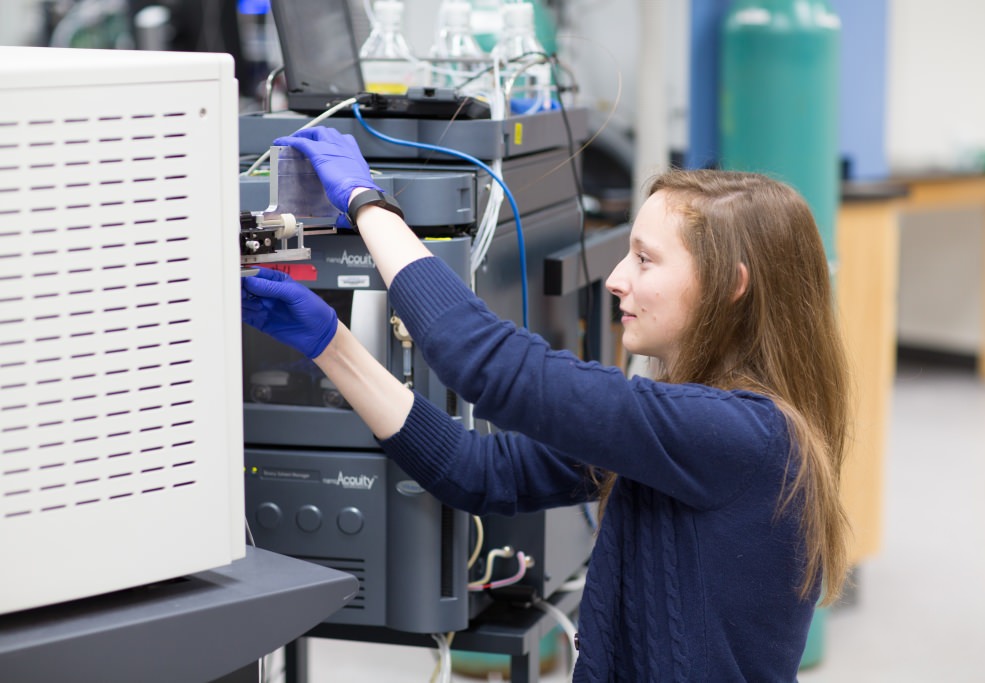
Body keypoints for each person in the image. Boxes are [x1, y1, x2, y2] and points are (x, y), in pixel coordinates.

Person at [241, 127, 851, 681]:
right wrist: (330, 343)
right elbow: (477, 471)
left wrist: (368, 205)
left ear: (733, 286)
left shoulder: (745, 435)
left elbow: (487, 362)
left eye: (645, 258)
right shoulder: (690, 428)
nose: (616, 279)